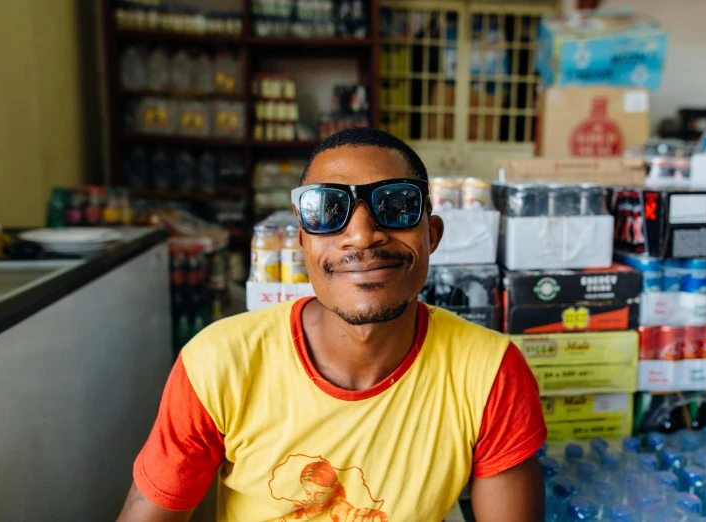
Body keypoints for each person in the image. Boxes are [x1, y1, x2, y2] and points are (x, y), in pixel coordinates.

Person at [117, 128, 546, 522]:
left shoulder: (491, 374)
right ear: (303, 242)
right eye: (328, 210)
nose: (361, 235)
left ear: (431, 234)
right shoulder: (217, 365)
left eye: (396, 205)